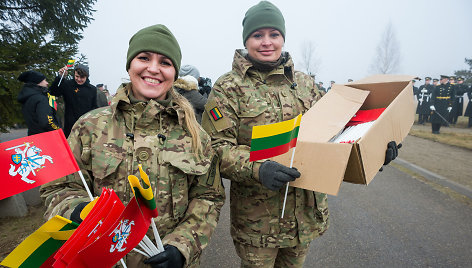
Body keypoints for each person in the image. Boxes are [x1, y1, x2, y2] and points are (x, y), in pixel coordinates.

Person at [201, 2, 399, 267]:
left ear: (283, 37)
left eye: (274, 34)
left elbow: (335, 136)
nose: (266, 42)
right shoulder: (228, 88)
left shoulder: (305, 83)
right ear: (246, 40)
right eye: (257, 35)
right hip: (258, 222)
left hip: (303, 218)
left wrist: (373, 152)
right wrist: (259, 168)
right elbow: (216, 147)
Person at [40, 24, 225, 268]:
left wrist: (182, 246)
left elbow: (208, 196)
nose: (153, 68)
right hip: (102, 260)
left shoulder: (195, 134)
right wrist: (77, 210)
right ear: (130, 65)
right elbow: (59, 187)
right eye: (144, 58)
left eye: (165, 62)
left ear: (174, 73)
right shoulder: (90, 126)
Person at [49, 63, 98, 137]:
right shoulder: (67, 85)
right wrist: (60, 77)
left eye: (82, 77)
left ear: (87, 77)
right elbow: (54, 92)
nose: (79, 79)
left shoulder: (92, 89)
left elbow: (95, 106)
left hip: (87, 124)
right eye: (77, 76)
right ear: (74, 74)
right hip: (71, 125)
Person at [16, 70, 61, 136]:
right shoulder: (41, 99)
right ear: (37, 82)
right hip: (46, 137)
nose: (47, 83)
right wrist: (58, 129)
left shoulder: (28, 98)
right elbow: (47, 122)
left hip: (33, 137)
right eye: (44, 80)